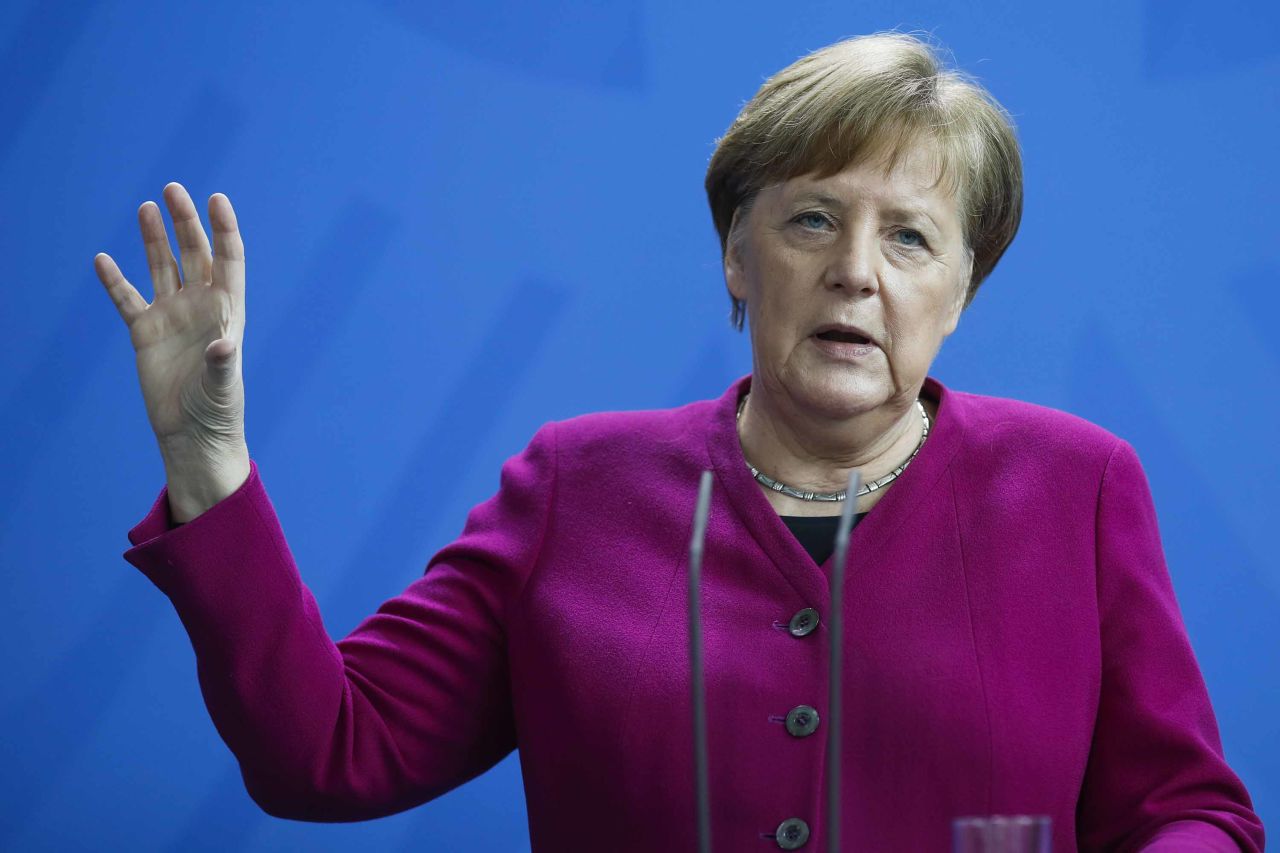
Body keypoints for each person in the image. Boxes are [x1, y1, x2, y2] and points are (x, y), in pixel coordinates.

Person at [96, 30, 1265, 853]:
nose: (854, 268)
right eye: (810, 219)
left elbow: (1187, 811)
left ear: (960, 292)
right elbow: (330, 753)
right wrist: (210, 461)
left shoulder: (1078, 488)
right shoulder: (575, 487)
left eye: (909, 238)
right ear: (736, 260)